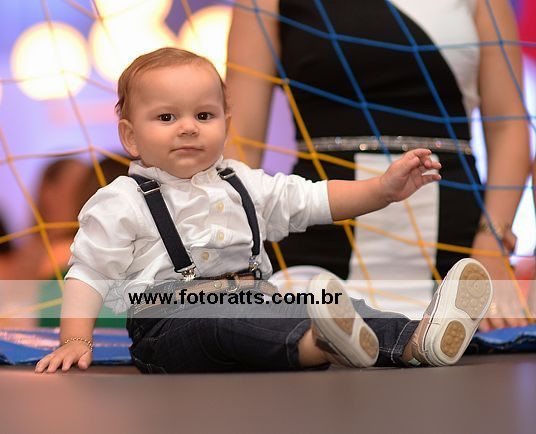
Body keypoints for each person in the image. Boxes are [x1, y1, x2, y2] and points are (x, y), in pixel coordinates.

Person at [35, 48, 493, 374]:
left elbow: (314, 199)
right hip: (169, 327)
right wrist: (75, 338)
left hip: (258, 298)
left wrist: (382, 190)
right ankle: (322, 343)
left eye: (204, 116)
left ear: (225, 124)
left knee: (322, 302)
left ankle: (416, 340)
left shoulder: (242, 182)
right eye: (167, 118)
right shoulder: (122, 200)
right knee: (220, 324)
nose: (189, 128)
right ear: (131, 137)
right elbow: (89, 273)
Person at [225, 0, 531, 330]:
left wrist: (491, 250)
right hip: (318, 252)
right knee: (297, 334)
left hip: (456, 258)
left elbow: (508, 127)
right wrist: (230, 248)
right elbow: (241, 144)